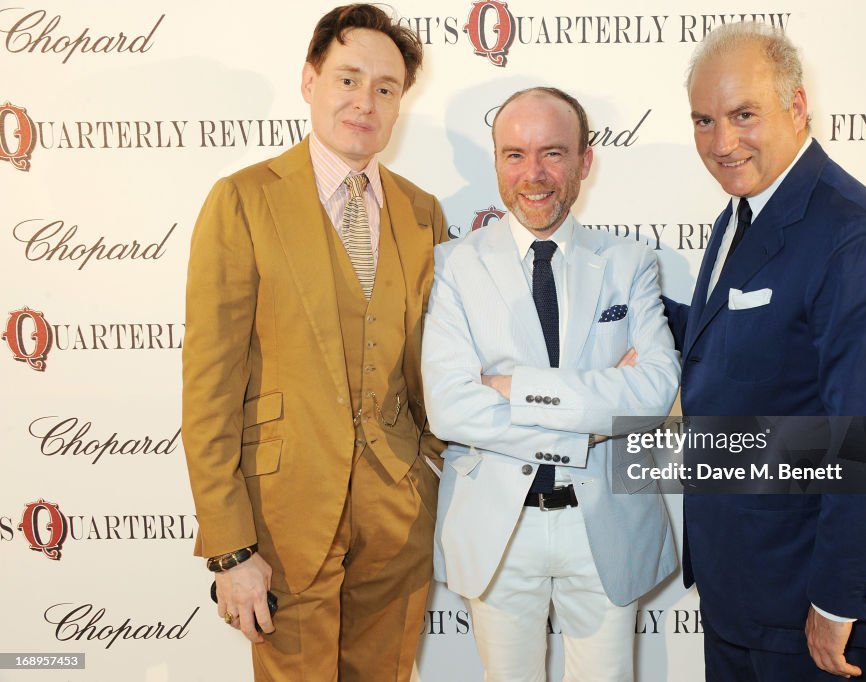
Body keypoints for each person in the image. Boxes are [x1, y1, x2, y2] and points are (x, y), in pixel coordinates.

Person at [181, 5, 445, 680]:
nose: (366, 101)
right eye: (349, 79)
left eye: (386, 88)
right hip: (282, 520)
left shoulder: (423, 214)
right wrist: (231, 549)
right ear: (310, 79)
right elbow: (209, 390)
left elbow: (437, 369)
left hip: (399, 520)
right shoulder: (243, 200)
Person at [662, 22, 866, 681]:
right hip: (739, 591)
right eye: (703, 120)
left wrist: (838, 601)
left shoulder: (855, 236)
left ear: (797, 105)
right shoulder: (747, 206)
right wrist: (629, 305)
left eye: (743, 115)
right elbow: (763, 343)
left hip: (807, 611)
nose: (722, 143)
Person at [421, 87, 680, 681]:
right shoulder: (452, 267)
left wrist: (515, 387)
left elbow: (654, 391)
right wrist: (584, 428)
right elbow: (452, 409)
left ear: (585, 160)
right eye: (514, 154)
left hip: (608, 526)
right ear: (495, 162)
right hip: (497, 532)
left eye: (553, 154)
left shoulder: (630, 261)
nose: (532, 174)